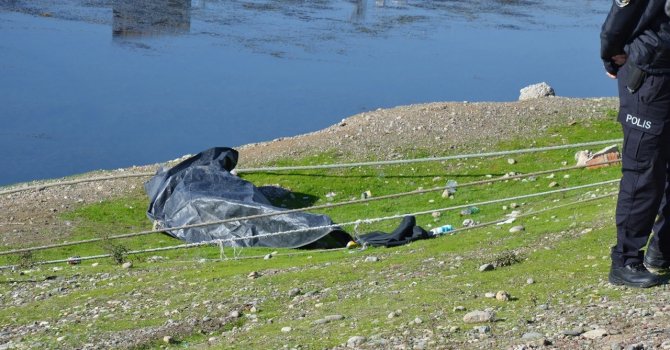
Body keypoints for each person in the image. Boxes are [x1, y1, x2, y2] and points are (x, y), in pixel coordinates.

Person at [601, 0, 670, 287]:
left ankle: (662, 250)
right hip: (649, 76)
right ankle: (625, 260)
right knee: (644, 170)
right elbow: (618, 20)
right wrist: (611, 54)